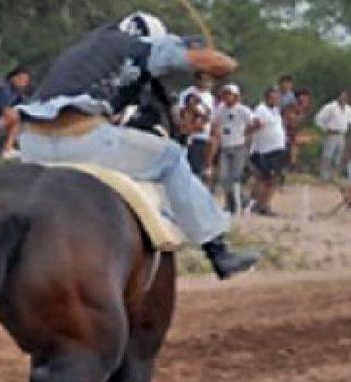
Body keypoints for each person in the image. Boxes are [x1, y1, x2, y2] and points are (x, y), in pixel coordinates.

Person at [15, 11, 259, 279]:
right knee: (171, 157)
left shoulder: (83, 49)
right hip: (82, 141)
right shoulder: (144, 45)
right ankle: (218, 250)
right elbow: (214, 63)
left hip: (31, 145)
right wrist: (222, 61)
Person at [207, 83, 253, 214]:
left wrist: (246, 134)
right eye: (225, 94)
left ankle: (241, 202)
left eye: (230, 94)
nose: (227, 97)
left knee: (235, 177)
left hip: (239, 146)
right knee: (224, 177)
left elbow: (254, 122)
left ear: (236, 96)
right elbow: (214, 122)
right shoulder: (220, 109)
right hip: (225, 146)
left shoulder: (243, 110)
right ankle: (231, 203)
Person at [248, 88, 287, 216]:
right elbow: (255, 125)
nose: (275, 100)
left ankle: (263, 204)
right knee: (265, 178)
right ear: (266, 97)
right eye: (272, 97)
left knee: (272, 179)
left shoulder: (276, 111)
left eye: (276, 98)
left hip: (276, 148)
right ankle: (258, 204)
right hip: (265, 150)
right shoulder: (261, 110)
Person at [315, 90, 351, 185]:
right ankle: (324, 177)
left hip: (341, 135)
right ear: (338, 96)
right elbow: (318, 119)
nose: (344, 98)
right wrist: (325, 129)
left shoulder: (349, 109)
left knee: (338, 157)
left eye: (346, 97)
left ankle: (333, 177)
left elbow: (350, 121)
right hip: (331, 134)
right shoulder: (330, 107)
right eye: (342, 96)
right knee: (327, 156)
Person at [179, 72, 214, 177]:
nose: (207, 83)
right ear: (198, 80)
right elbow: (182, 112)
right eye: (204, 80)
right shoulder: (188, 94)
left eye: (209, 81)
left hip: (203, 135)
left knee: (197, 167)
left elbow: (209, 115)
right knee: (187, 165)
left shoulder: (209, 96)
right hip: (189, 134)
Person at [0, 67, 31, 158]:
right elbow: (5, 110)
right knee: (17, 117)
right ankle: (7, 149)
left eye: (26, 81)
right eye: (22, 80)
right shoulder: (4, 87)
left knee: (24, 118)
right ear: (13, 78)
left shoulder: (17, 90)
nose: (24, 83)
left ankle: (10, 148)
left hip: (2, 120)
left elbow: (27, 104)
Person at [282, 88, 311, 169]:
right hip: (285, 133)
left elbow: (300, 126)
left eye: (307, 98)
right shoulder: (290, 108)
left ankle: (294, 163)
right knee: (295, 142)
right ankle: (292, 164)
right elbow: (288, 123)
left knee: (307, 139)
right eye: (304, 97)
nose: (306, 100)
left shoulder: (304, 110)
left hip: (293, 134)